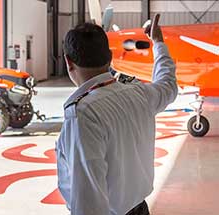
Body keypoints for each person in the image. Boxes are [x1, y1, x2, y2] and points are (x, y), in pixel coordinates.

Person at [56, 14, 177, 215]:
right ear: (109, 57)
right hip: (141, 209)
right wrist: (158, 43)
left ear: (69, 62)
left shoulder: (83, 114)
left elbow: (89, 202)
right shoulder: (139, 92)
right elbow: (168, 85)